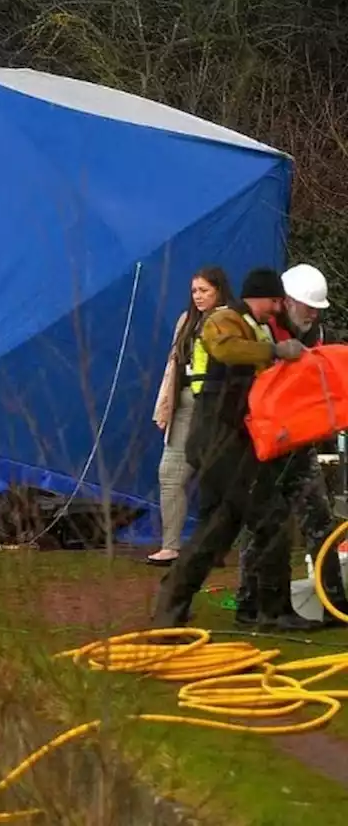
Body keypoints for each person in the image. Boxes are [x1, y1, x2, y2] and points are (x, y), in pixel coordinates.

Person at [151, 267, 317, 631]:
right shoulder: (223, 320)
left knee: (219, 527)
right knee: (272, 517)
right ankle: (272, 611)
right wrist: (275, 350)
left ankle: (171, 604)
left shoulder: (254, 327)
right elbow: (225, 350)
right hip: (216, 439)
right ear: (262, 296)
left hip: (229, 441)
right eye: (275, 301)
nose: (277, 309)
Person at [234, 263, 348, 626]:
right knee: (265, 528)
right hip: (266, 445)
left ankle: (334, 602)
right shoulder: (263, 330)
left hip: (299, 443)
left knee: (320, 520)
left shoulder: (313, 332)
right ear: (287, 301)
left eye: (317, 309)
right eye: (309, 308)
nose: (313, 315)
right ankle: (251, 603)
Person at [149, 266, 233, 566]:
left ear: (219, 291)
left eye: (204, 291)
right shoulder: (186, 321)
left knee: (215, 479)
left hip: (215, 409)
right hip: (184, 405)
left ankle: (214, 548)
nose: (198, 296)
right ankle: (170, 546)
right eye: (194, 291)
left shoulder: (230, 322)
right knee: (169, 473)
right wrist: (164, 405)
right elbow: (173, 365)